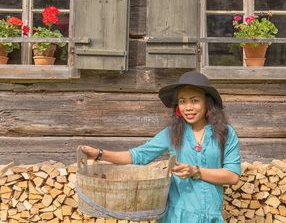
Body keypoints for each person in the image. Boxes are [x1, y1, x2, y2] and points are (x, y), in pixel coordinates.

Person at [80, 71, 241, 222]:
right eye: (182, 101)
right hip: (176, 216)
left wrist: (196, 171)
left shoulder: (225, 133)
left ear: (207, 103)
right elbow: (137, 155)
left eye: (194, 100)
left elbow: (232, 176)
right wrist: (100, 154)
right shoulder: (172, 133)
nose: (188, 107)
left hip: (210, 216)